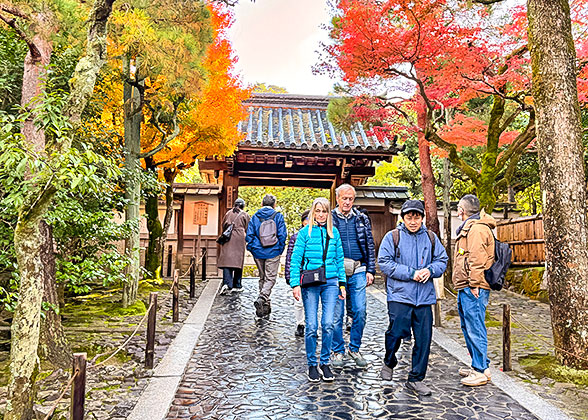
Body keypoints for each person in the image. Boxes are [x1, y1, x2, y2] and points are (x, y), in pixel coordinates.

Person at [377, 199, 448, 396]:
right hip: (399, 295)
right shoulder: (393, 237)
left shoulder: (431, 238)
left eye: (417, 217)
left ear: (422, 218)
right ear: (403, 218)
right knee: (397, 331)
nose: (413, 221)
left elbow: (442, 260)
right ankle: (389, 361)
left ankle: (416, 378)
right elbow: (384, 262)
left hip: (424, 297)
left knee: (424, 339)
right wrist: (411, 273)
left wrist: (430, 270)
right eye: (409, 217)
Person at [290, 197, 346, 382]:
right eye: (318, 211)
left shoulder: (334, 234)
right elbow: (296, 259)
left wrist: (342, 284)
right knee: (312, 326)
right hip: (311, 283)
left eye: (324, 211)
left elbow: (339, 260)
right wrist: (295, 284)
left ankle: (325, 362)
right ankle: (312, 364)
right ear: (313, 212)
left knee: (328, 324)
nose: (321, 215)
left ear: (329, 214)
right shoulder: (304, 233)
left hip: (331, 281)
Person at [330, 184, 376, 368]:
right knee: (336, 314)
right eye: (344, 198)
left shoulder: (362, 219)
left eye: (350, 198)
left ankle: (354, 348)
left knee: (360, 311)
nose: (347, 202)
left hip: (358, 269)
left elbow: (369, 246)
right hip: (336, 271)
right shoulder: (329, 218)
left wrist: (370, 270)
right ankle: (337, 351)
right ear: (337, 199)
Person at [452, 194, 495, 387]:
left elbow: (477, 258)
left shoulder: (476, 229)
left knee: (475, 326)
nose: (458, 211)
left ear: (463, 210)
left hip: (473, 286)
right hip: (466, 285)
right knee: (468, 325)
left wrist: (475, 283)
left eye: (459, 208)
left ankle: (480, 370)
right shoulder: (472, 226)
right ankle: (479, 364)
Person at [246, 194, 287, 318]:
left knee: (263, 278)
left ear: (262, 204)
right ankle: (263, 297)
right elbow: (282, 235)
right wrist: (279, 249)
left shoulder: (255, 216)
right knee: (270, 278)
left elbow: (249, 235)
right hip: (273, 251)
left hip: (258, 251)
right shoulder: (278, 216)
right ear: (274, 205)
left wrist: (252, 248)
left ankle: (264, 307)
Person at [284, 209, 310, 337]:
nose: (308, 222)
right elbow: (290, 258)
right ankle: (300, 323)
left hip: (312, 273)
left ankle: (310, 323)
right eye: (306, 220)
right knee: (299, 302)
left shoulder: (318, 236)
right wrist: (289, 276)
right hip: (299, 273)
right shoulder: (295, 237)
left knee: (311, 300)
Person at [218, 198, 250, 295]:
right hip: (240, 238)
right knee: (238, 261)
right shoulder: (245, 214)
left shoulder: (228, 213)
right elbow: (248, 228)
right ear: (243, 206)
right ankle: (237, 284)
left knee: (227, 261)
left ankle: (227, 283)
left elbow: (223, 225)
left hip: (228, 237)